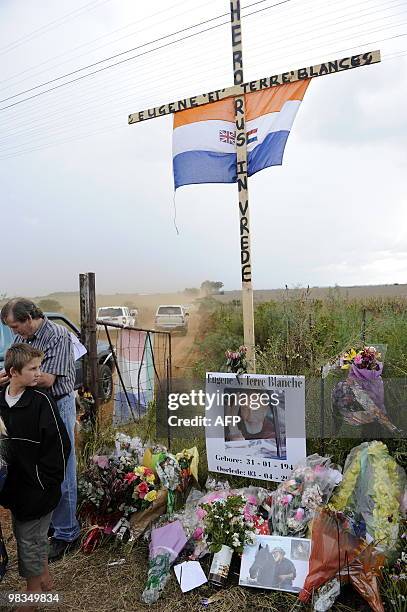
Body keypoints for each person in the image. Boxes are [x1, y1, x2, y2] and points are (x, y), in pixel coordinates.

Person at [0, 298, 80, 560]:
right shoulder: (22, 340)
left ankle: (67, 534)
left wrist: (17, 375)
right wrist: (10, 375)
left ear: (28, 319)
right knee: (37, 469)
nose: (14, 332)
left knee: (61, 468)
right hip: (34, 408)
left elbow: (46, 379)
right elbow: (16, 367)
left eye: (15, 326)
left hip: (58, 406)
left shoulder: (57, 336)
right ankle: (50, 525)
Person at [0, 344, 70, 610]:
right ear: (13, 372)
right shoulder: (0, 400)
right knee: (25, 532)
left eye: (40, 367)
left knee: (30, 537)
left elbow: (61, 445)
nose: (39, 374)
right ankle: (44, 577)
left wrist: (47, 481)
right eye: (33, 369)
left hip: (39, 486)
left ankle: (32, 594)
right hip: (14, 487)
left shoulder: (41, 401)